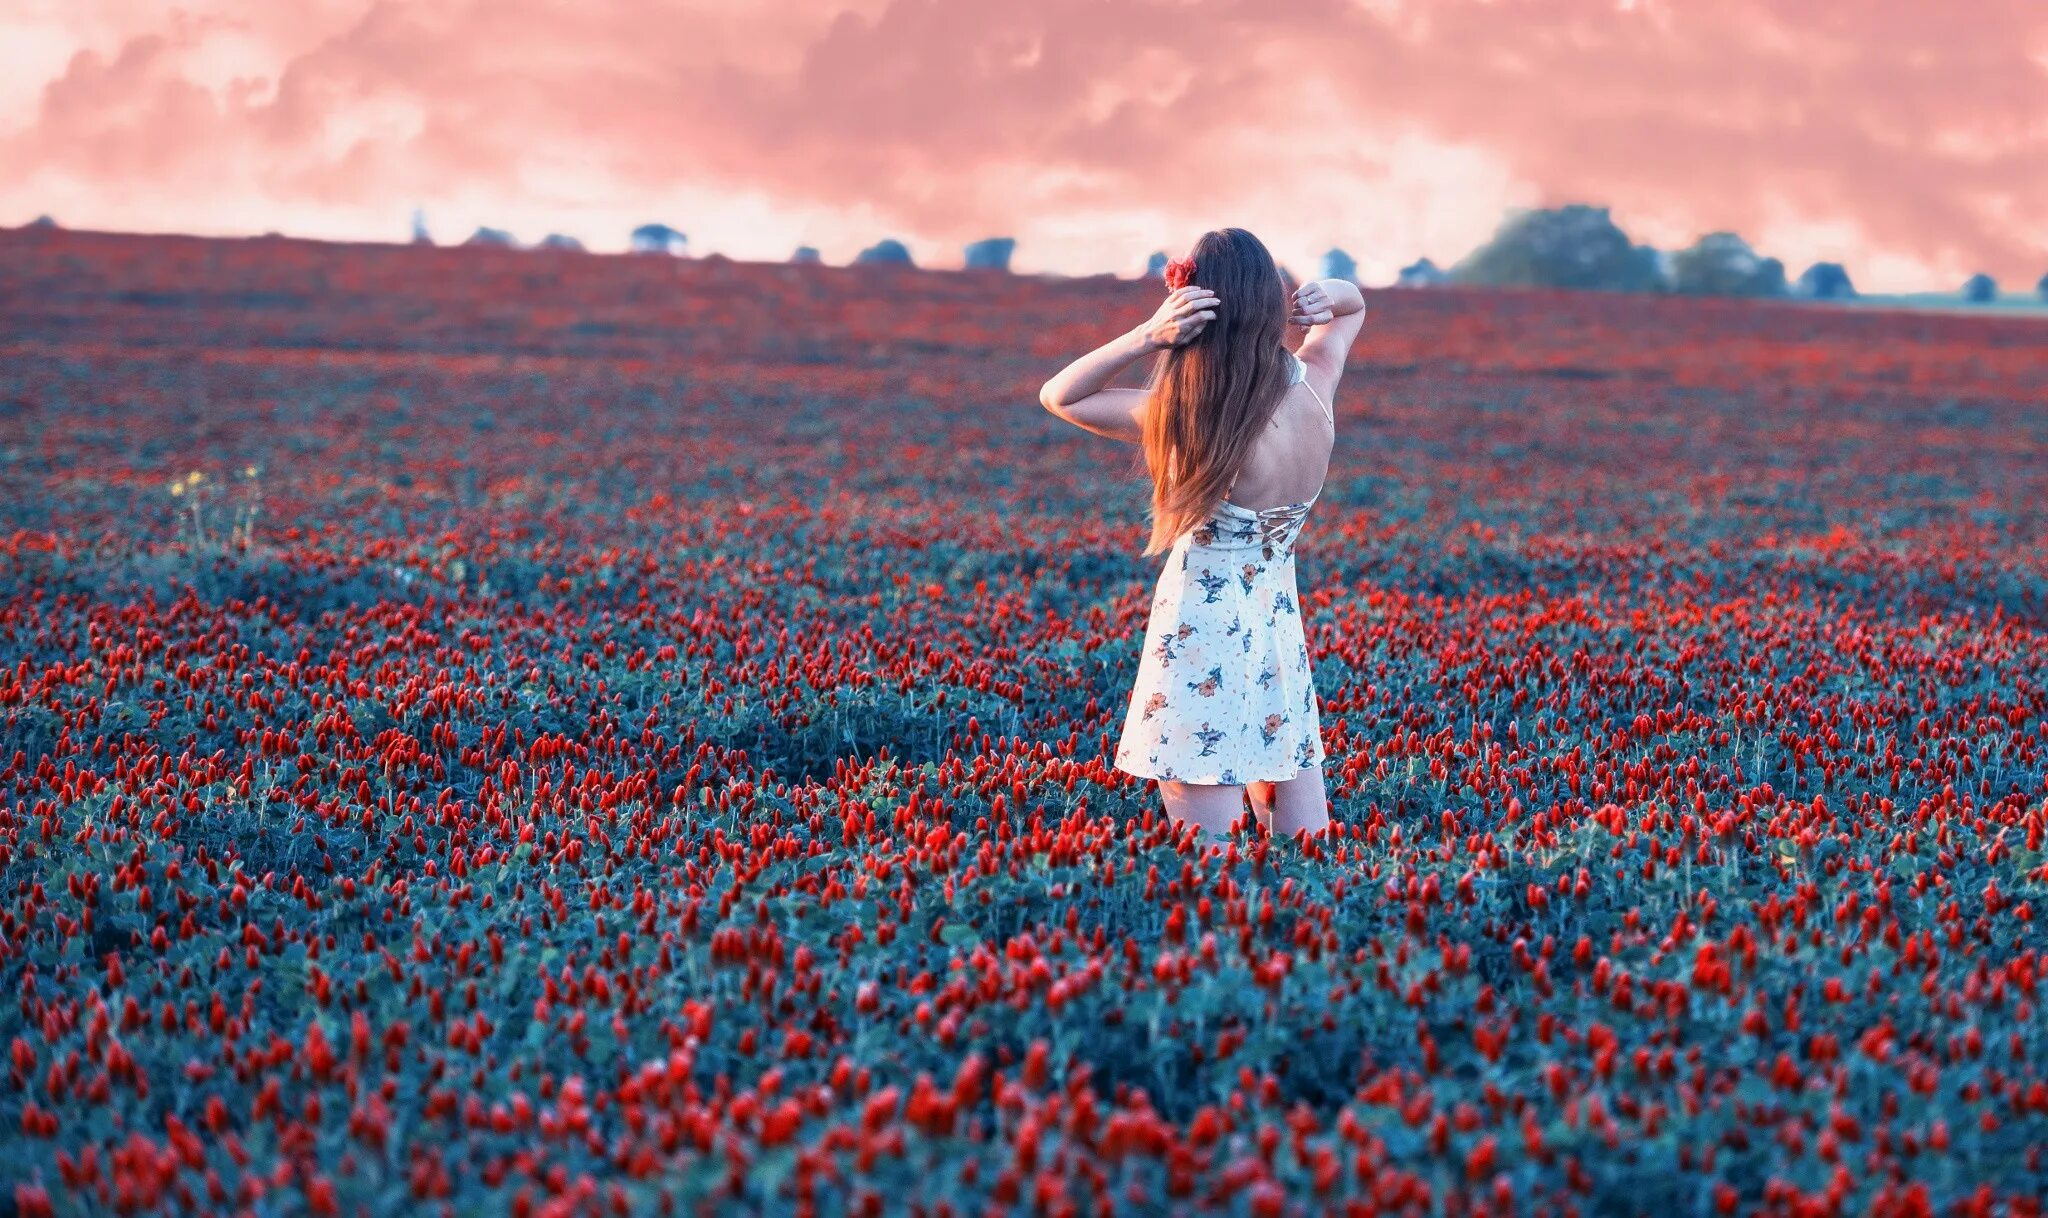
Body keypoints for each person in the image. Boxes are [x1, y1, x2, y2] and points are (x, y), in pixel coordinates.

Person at [1038, 227, 1368, 841]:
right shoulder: (1315, 386)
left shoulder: (1191, 416)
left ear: (1192, 309)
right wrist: (1328, 294)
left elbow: (1059, 395)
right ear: (1274, 302)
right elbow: (1353, 310)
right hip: (1275, 630)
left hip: (1203, 641)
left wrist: (1146, 335)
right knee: (1305, 854)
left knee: (1208, 859)